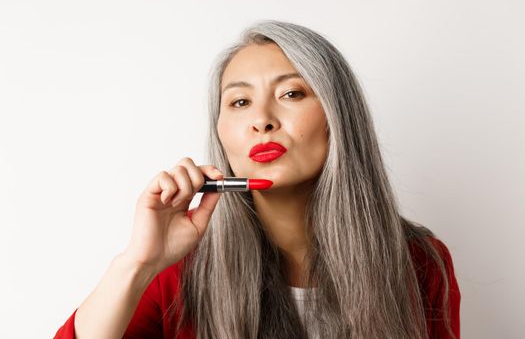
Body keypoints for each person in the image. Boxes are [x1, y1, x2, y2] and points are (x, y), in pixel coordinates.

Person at [55, 20, 460, 339]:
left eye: (291, 94)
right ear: (220, 132)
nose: (261, 120)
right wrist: (138, 263)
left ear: (339, 119)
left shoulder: (420, 262)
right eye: (240, 102)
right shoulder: (176, 273)